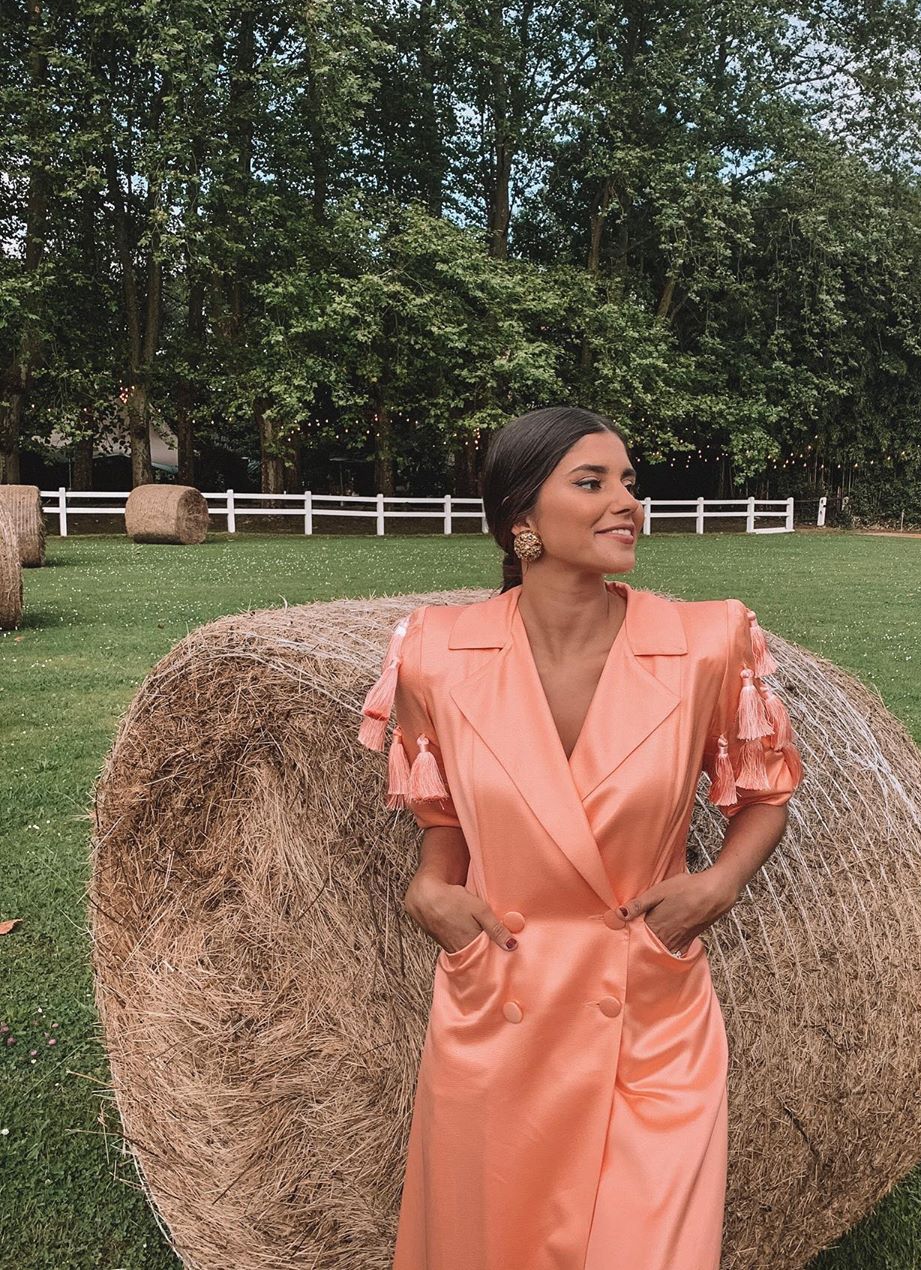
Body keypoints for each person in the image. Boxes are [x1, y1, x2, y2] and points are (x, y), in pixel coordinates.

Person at [358, 406, 804, 1270]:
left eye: (630, 482)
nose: (627, 502)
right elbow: (441, 808)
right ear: (521, 518)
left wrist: (720, 886)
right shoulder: (434, 653)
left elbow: (765, 795)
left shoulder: (710, 641)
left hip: (650, 1006)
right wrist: (432, 887)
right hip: (502, 1004)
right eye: (593, 483)